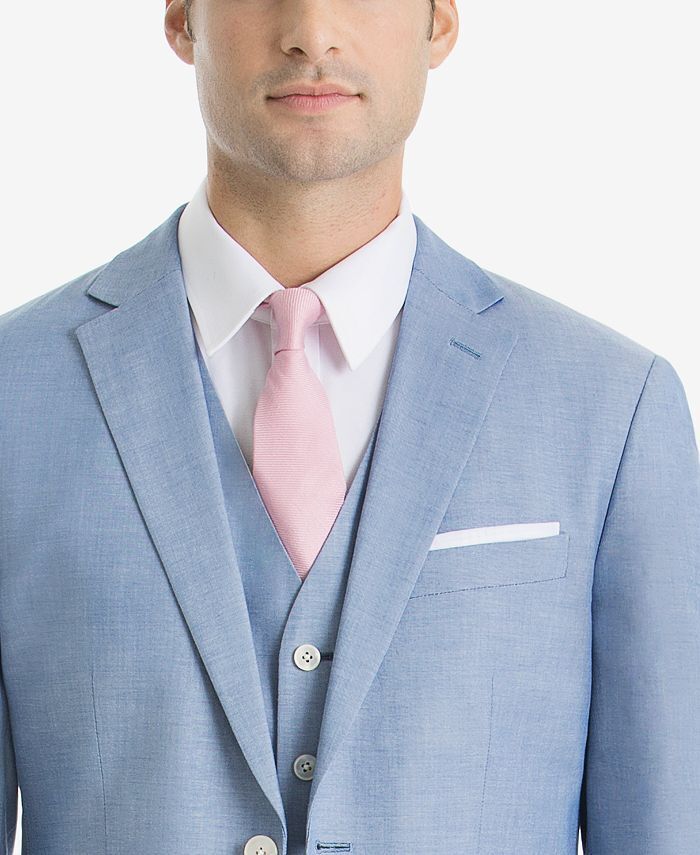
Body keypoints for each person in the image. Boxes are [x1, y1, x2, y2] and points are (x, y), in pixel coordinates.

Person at [1, 0, 698, 852]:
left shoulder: (612, 408)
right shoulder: (14, 396)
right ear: (182, 17)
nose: (313, 30)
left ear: (440, 21)